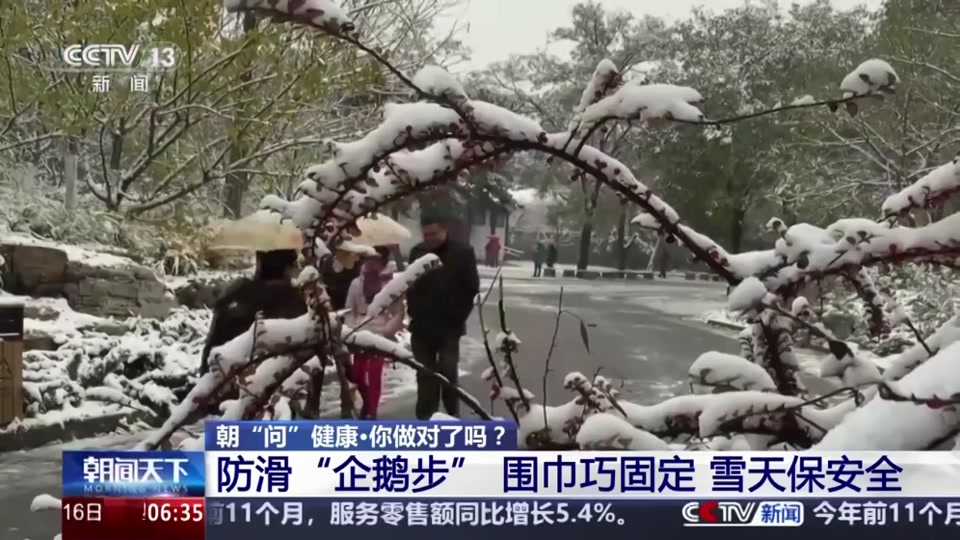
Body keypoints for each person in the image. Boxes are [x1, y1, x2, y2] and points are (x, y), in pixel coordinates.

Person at [407, 214, 480, 419]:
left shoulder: (463, 253)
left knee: (448, 373)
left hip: (450, 327)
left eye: (434, 233)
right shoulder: (417, 252)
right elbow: (410, 285)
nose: (430, 239)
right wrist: (413, 310)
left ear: (444, 229)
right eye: (426, 235)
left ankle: (451, 417)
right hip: (421, 327)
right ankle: (425, 420)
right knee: (425, 375)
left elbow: (471, 288)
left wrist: (458, 316)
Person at [201, 249, 306, 377]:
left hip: (221, 380)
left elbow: (209, 354)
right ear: (288, 268)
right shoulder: (295, 303)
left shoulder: (234, 296)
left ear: (259, 263)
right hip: (274, 383)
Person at [344, 246, 405, 419]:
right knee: (357, 373)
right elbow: (349, 309)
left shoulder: (391, 285)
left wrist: (389, 329)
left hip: (380, 332)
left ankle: (372, 411)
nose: (371, 262)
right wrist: (351, 328)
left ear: (382, 260)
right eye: (368, 258)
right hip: (359, 331)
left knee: (374, 374)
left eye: (375, 259)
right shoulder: (356, 283)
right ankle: (366, 401)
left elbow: (398, 312)